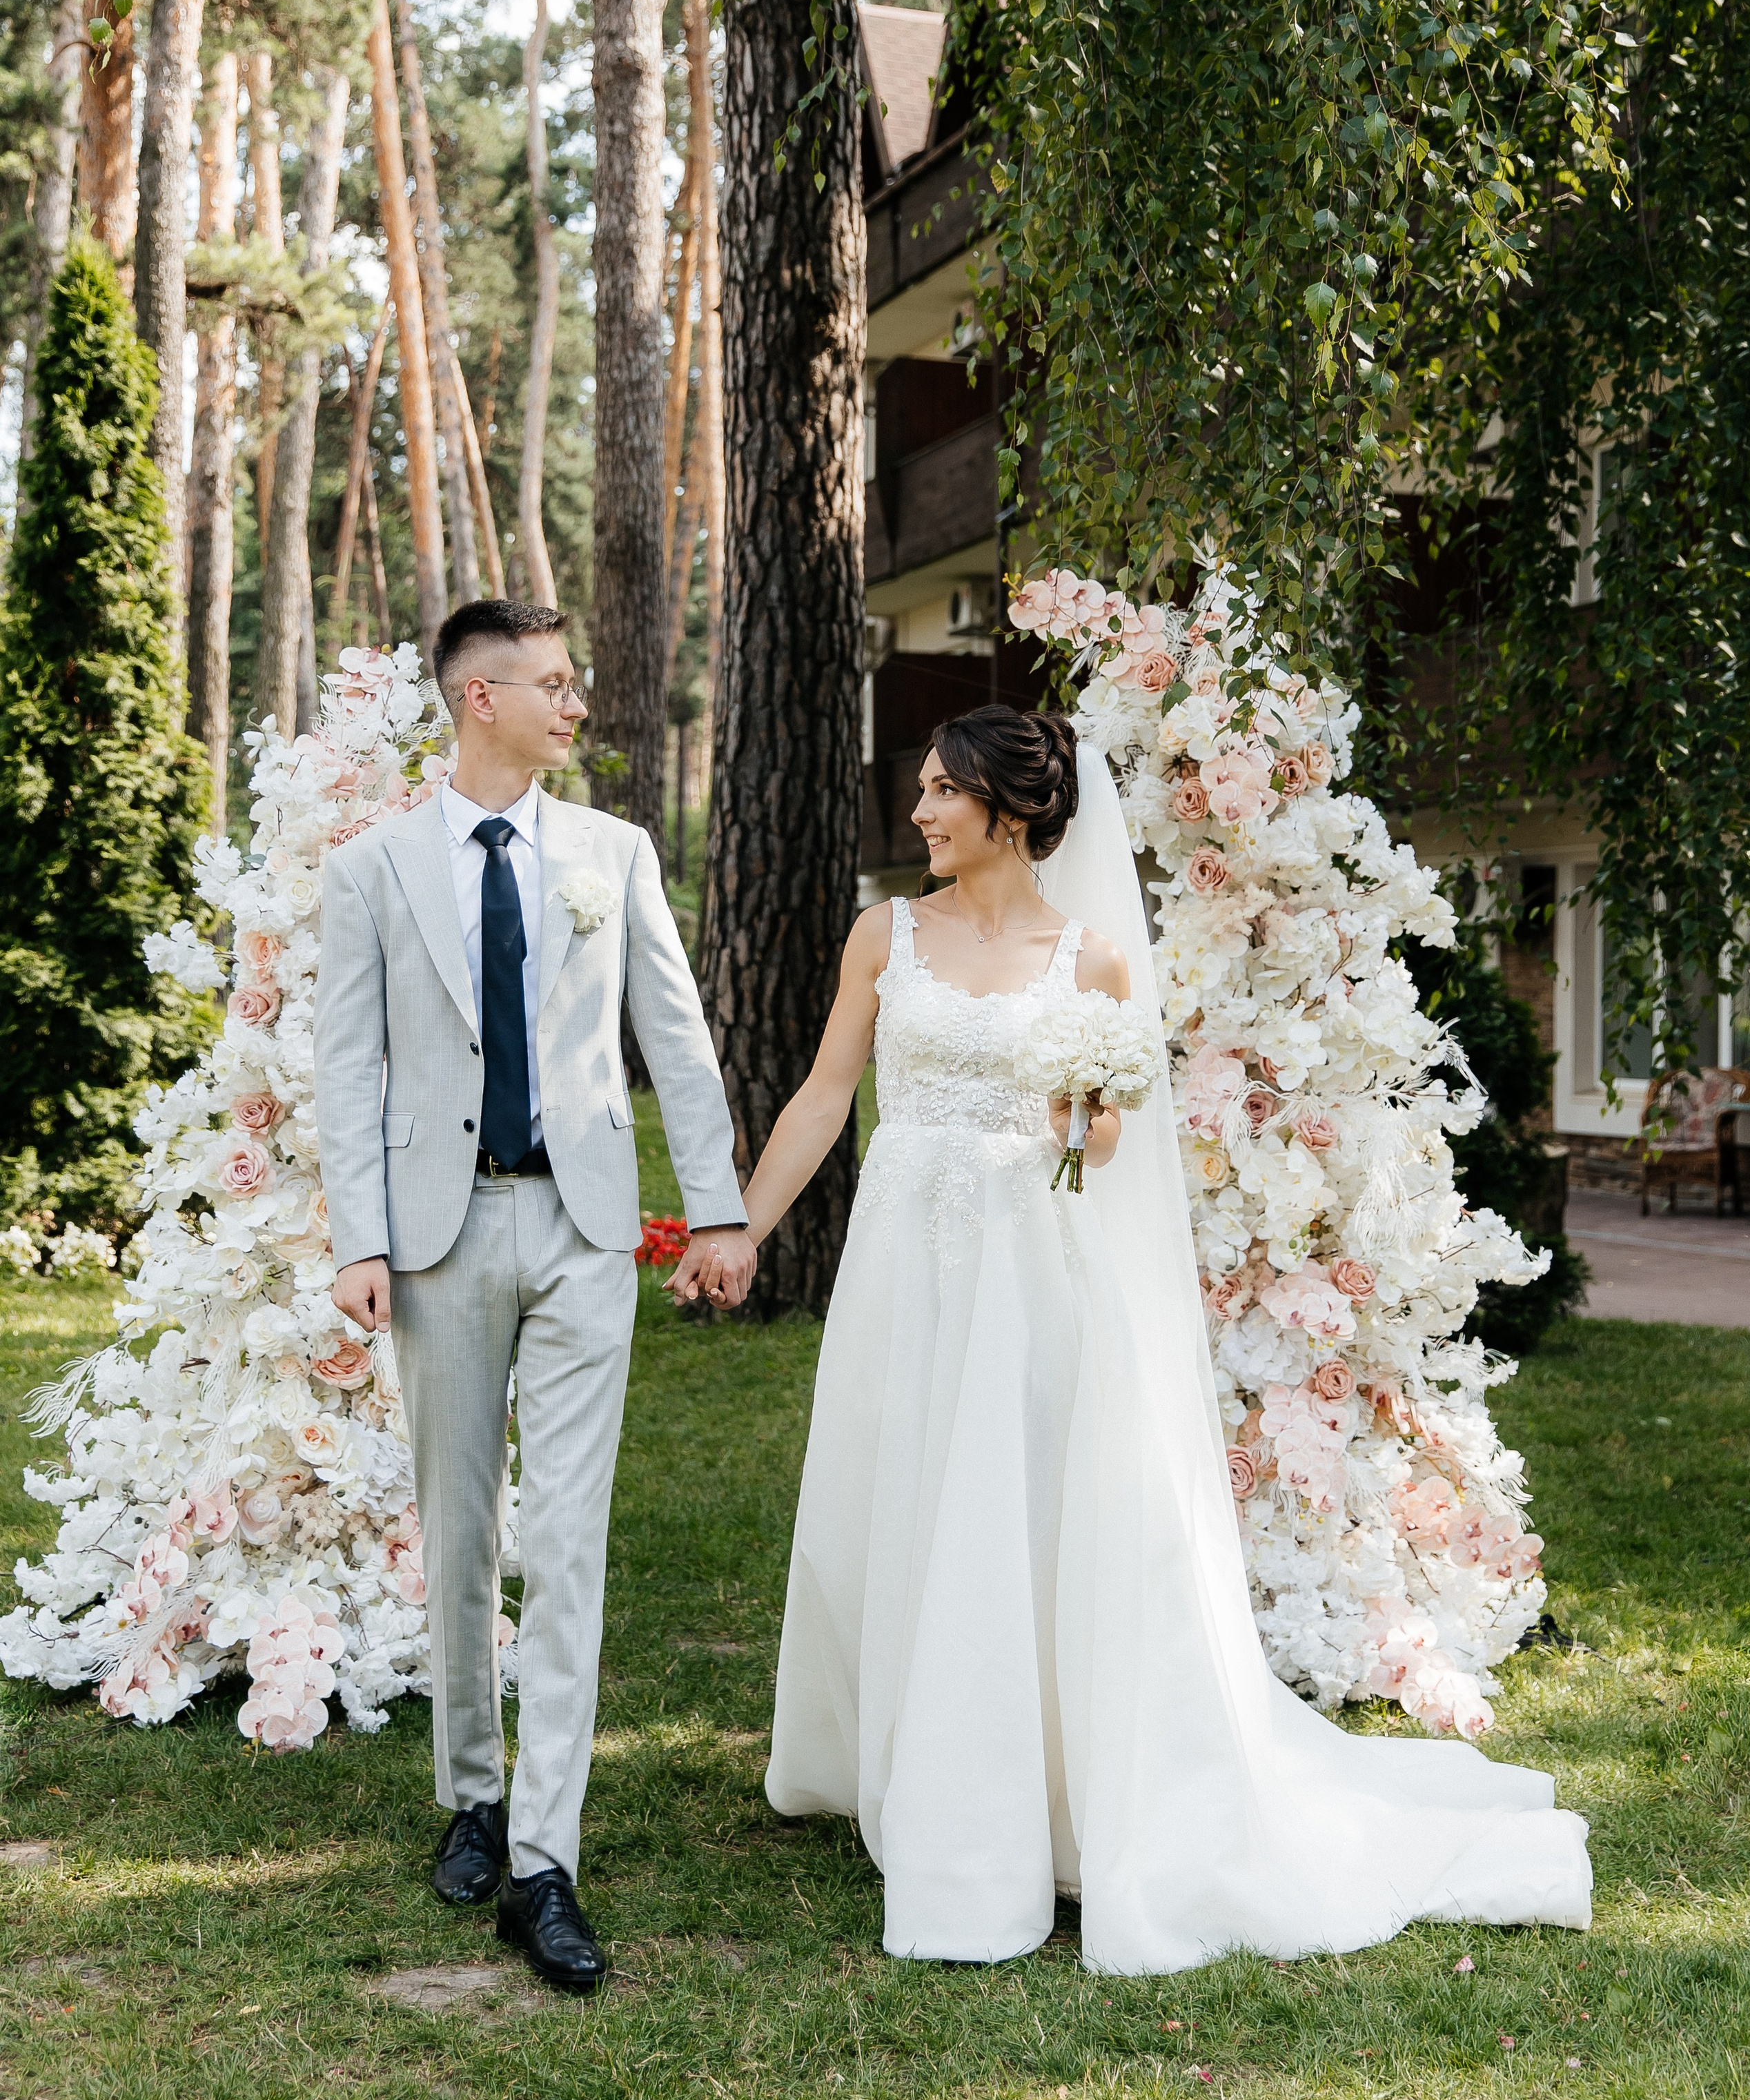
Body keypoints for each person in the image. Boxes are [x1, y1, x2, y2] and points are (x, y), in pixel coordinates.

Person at [743, 704, 1592, 1972]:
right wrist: (743, 1231)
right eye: (919, 791)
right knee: (900, 1490)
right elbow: (823, 1096)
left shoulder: (1090, 964)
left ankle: (1025, 1793)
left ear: (1011, 813)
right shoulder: (886, 935)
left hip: (1029, 1267)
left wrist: (1087, 1114)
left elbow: (1103, 1152)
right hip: (903, 1263)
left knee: (1014, 1510)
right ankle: (902, 1751)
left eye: (939, 794)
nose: (918, 813)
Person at [315, 598, 755, 1992]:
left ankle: (544, 1861)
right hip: (437, 1238)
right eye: (554, 686)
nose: (578, 706)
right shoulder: (374, 868)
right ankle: (472, 1793)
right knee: (460, 1531)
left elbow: (675, 1042)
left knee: (568, 1542)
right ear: (479, 698)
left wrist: (724, 1206)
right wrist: (359, 1239)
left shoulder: (612, 855)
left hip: (584, 1232)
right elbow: (348, 1067)